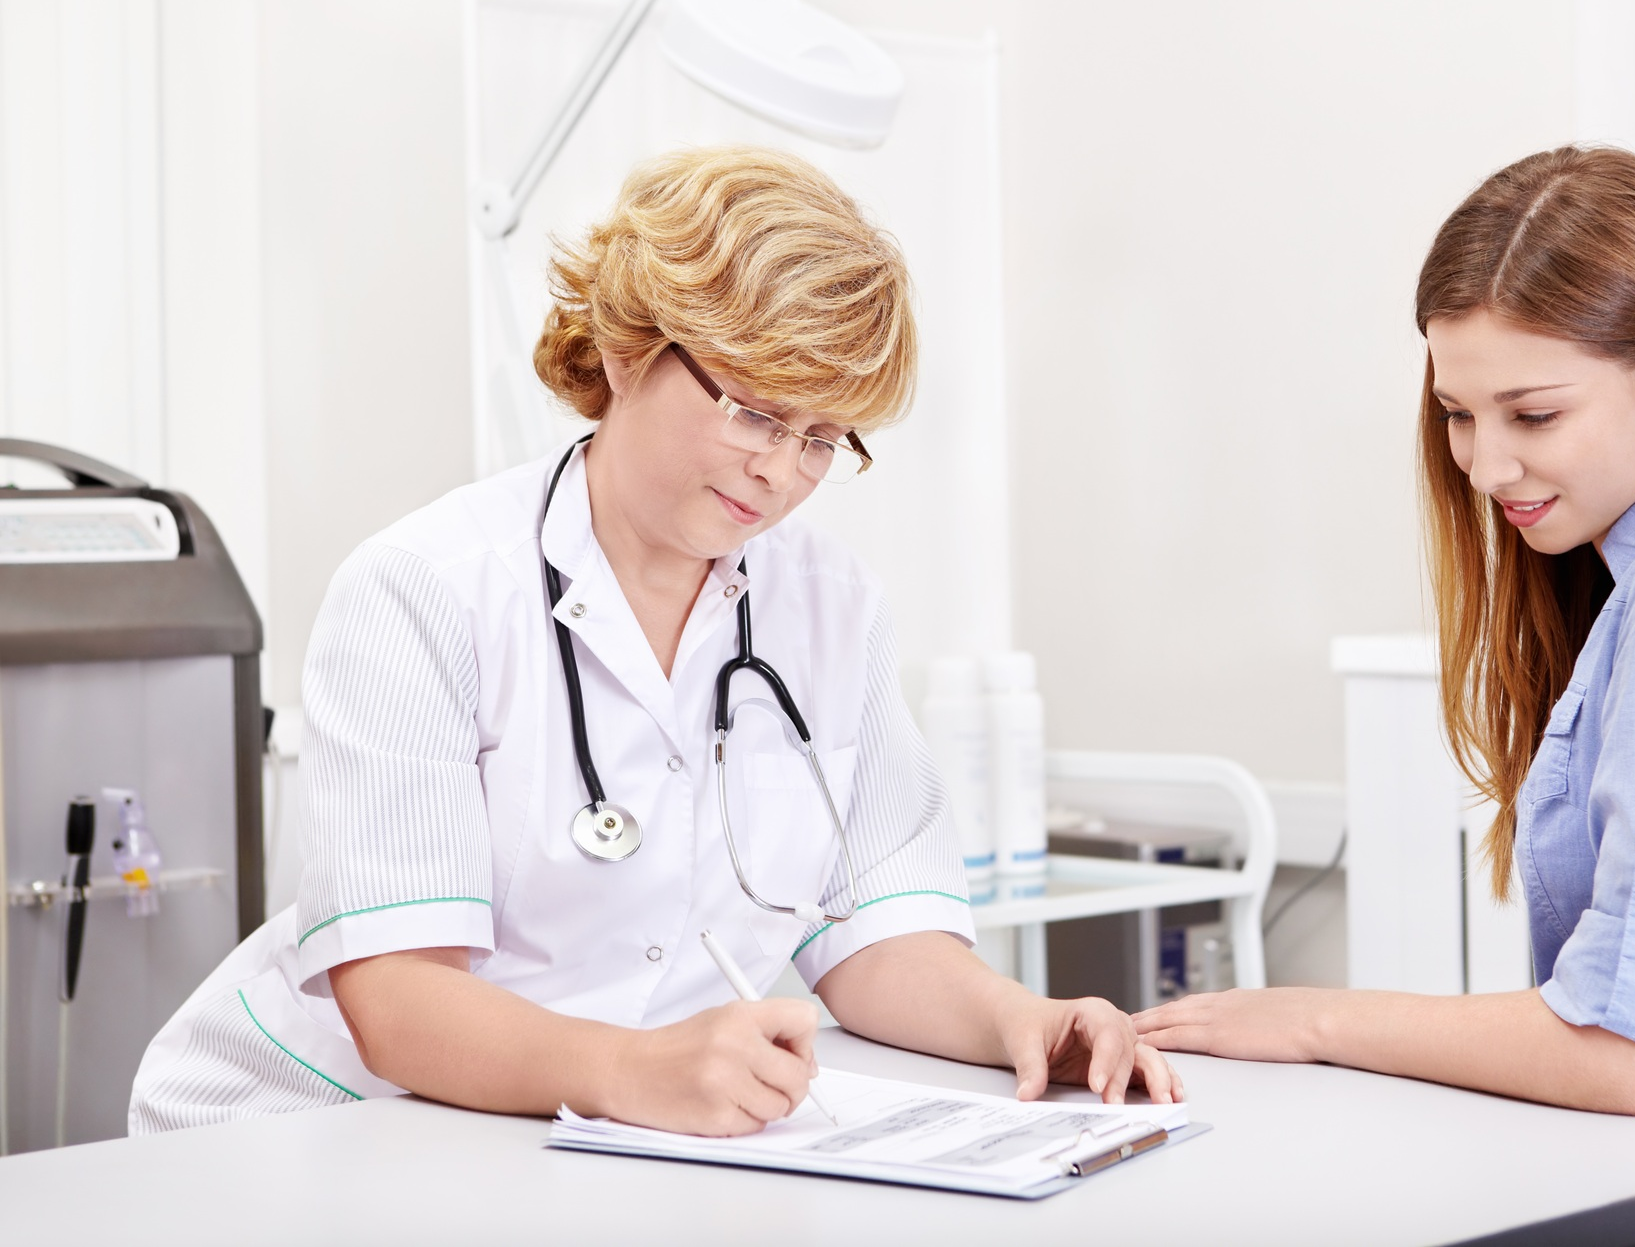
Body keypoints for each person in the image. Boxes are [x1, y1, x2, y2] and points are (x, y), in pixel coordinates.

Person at [132, 145, 1177, 1137]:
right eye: (756, 413)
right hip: (313, 1123)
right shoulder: (425, 589)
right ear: (631, 349)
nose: (780, 471)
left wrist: (1017, 1025)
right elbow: (400, 1001)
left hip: (584, 1134)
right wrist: (634, 1071)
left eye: (822, 438)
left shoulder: (829, 606)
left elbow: (873, 937)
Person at [1134, 146, 1635, 1244]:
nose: (1480, 464)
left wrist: (1307, 1015)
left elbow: (1624, 1051)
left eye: (1529, 414)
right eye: (1458, 416)